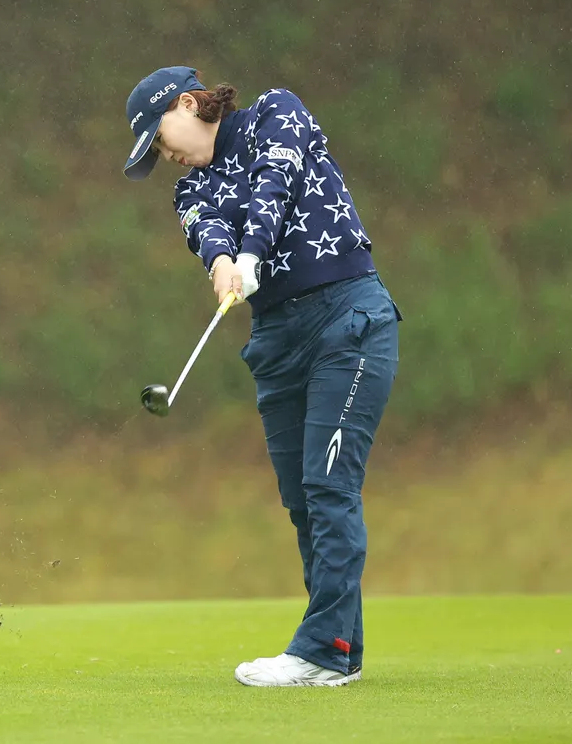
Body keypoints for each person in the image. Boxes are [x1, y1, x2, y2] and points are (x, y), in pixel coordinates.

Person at [122, 66, 402, 687]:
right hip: (277, 339)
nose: (165, 156)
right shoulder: (189, 192)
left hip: (347, 321)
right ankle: (341, 649)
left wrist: (251, 252)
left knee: (329, 487)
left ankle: (322, 652)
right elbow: (208, 234)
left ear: (188, 104)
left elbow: (275, 181)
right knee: (303, 500)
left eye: (159, 138)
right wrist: (224, 264)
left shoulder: (277, 112)